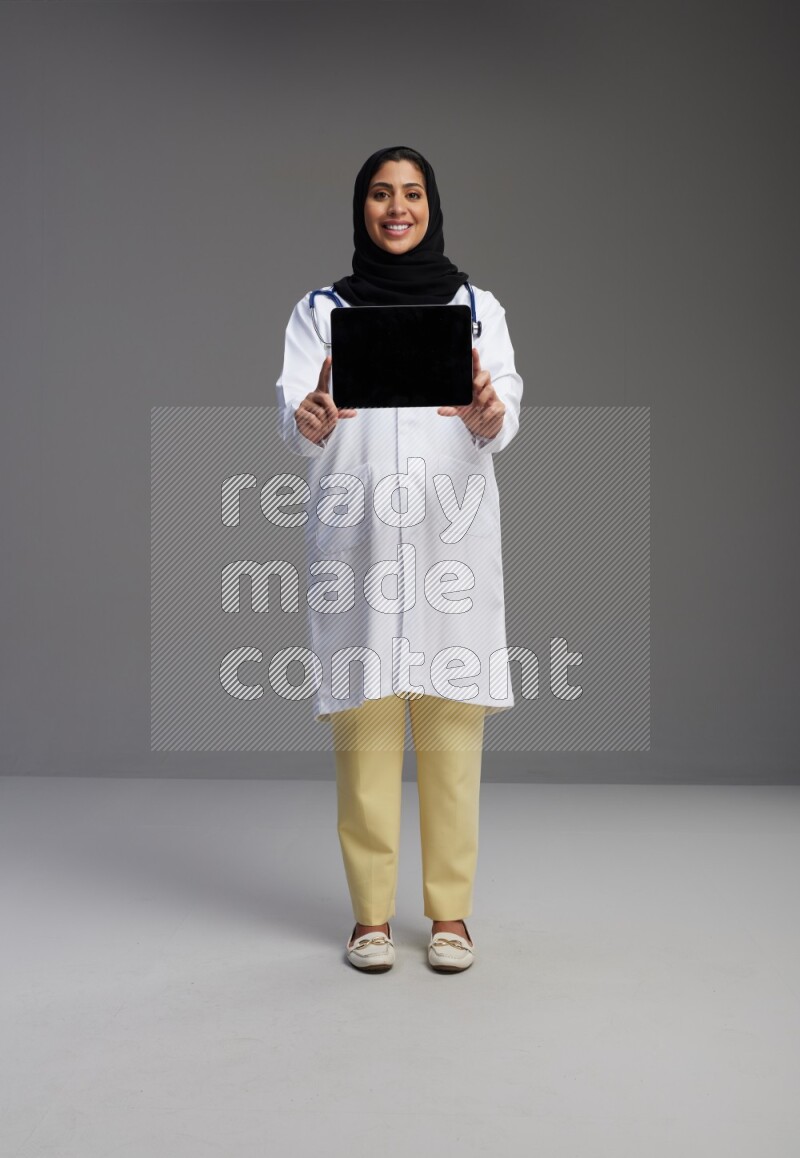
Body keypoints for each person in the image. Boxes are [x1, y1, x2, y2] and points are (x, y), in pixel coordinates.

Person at [275, 146, 523, 973]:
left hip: (449, 543)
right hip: (361, 544)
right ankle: (370, 918)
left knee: (452, 734)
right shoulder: (319, 309)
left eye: (411, 193)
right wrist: (310, 419)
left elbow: (504, 413)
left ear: (432, 205)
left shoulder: (477, 308)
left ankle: (450, 918)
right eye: (381, 194)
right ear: (362, 208)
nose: (396, 208)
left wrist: (488, 410)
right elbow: (296, 414)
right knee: (366, 735)